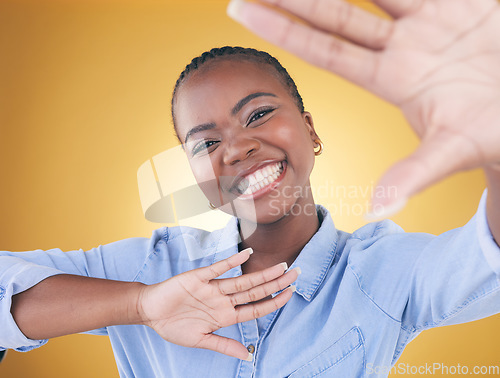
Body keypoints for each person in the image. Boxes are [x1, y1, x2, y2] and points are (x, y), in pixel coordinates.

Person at [1, 1, 500, 377]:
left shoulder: (379, 273)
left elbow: (486, 260)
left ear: (311, 131)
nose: (236, 149)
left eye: (258, 114)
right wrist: (139, 305)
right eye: (207, 143)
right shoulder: (148, 269)